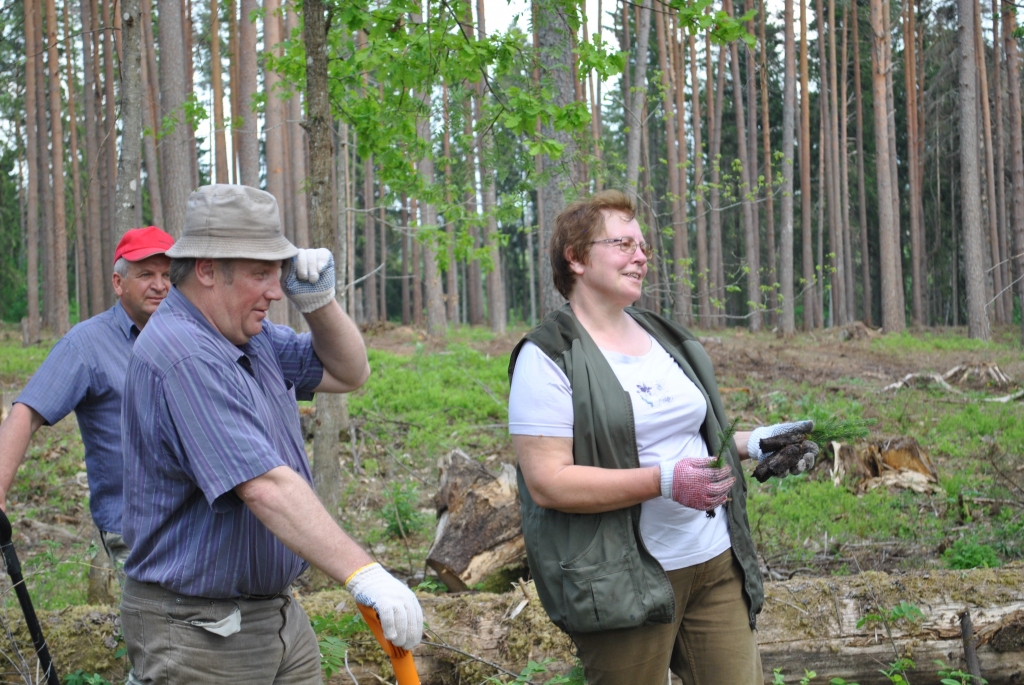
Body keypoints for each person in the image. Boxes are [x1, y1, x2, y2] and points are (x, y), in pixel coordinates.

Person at [507, 190, 817, 685]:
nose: (641, 256)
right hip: (620, 581)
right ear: (576, 257)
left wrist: (754, 442)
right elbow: (548, 482)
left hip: (714, 562)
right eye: (624, 243)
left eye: (644, 246)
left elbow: (691, 439)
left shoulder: (663, 337)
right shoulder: (547, 356)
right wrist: (663, 481)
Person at [119, 184, 422, 685]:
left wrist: (319, 303)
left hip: (275, 618)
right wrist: (364, 573)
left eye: (278, 272)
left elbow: (347, 373)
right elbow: (264, 486)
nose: (276, 291)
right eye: (261, 273)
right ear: (208, 269)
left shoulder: (246, 335)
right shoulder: (184, 352)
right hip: (198, 633)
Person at [0, 226, 174, 570]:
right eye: (146, 274)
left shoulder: (185, 336)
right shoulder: (86, 345)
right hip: (135, 530)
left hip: (197, 521)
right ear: (118, 282)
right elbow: (27, 412)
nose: (160, 285)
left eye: (168, 275)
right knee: (161, 622)